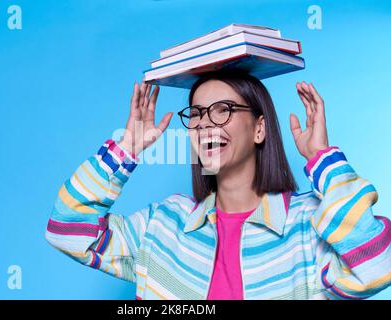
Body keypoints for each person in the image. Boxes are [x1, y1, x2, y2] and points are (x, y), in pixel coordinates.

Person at [45, 71, 391, 300]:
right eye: (196, 114)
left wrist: (323, 159)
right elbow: (66, 231)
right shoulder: (163, 224)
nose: (206, 123)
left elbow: (378, 264)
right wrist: (126, 149)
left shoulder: (306, 224)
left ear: (259, 128)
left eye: (222, 109)